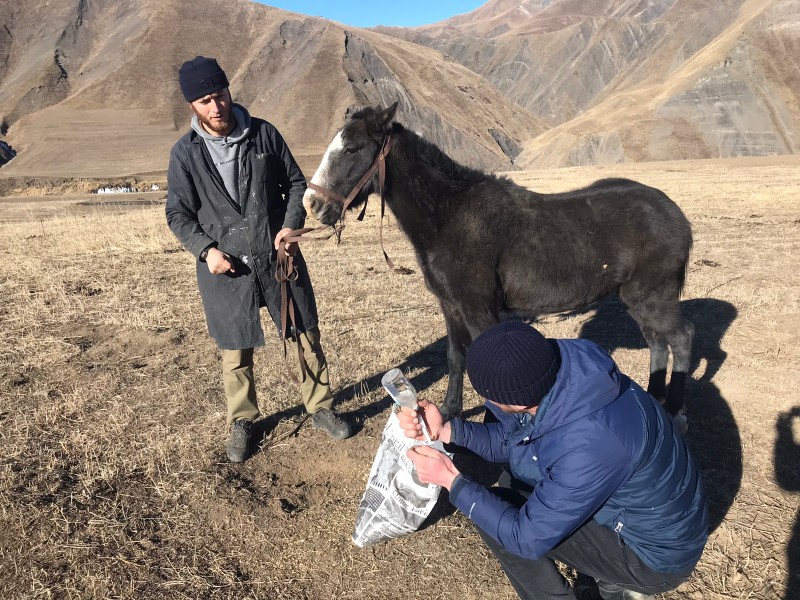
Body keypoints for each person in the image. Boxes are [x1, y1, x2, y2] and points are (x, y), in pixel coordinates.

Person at [398, 320, 708, 600]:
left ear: (517, 402)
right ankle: (606, 581)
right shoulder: (563, 376)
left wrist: (452, 480)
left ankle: (607, 587)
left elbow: (525, 538)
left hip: (654, 557)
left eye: (491, 397)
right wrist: (447, 430)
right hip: (642, 514)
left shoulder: (589, 442)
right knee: (509, 486)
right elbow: (515, 443)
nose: (488, 402)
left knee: (495, 514)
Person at [166, 56, 352, 463]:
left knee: (304, 334)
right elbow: (177, 213)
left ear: (229, 90)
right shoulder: (185, 154)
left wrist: (290, 227)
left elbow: (296, 182)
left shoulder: (264, 135)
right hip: (226, 268)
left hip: (278, 259)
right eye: (203, 101)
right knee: (235, 351)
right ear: (192, 107)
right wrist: (205, 251)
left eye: (219, 95)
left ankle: (320, 406)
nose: (215, 107)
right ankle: (243, 419)